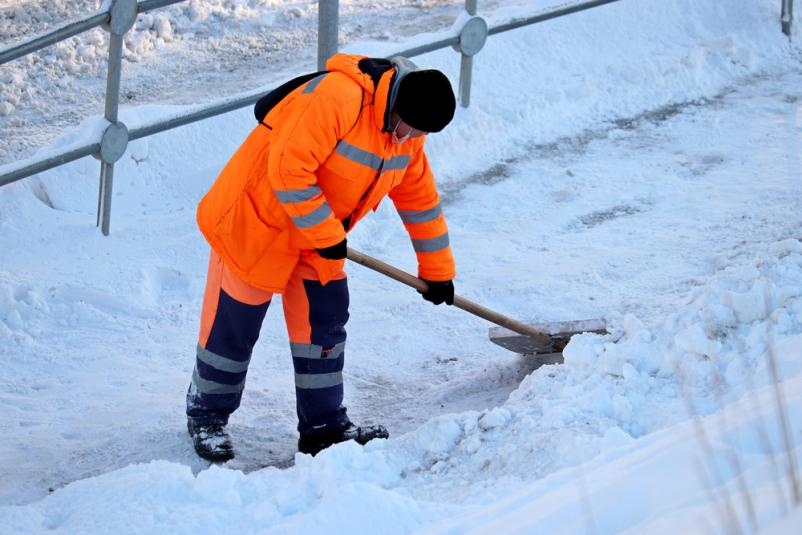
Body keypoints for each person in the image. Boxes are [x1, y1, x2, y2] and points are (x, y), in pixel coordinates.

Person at [186, 53, 458, 461]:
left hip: (317, 233)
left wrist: (437, 272)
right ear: (398, 105)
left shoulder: (406, 138)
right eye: (411, 128)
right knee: (233, 328)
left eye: (421, 133)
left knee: (324, 322)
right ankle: (206, 416)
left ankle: (324, 427)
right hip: (256, 222)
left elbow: (421, 204)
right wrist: (328, 234)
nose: (411, 138)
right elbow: (288, 170)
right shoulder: (338, 99)